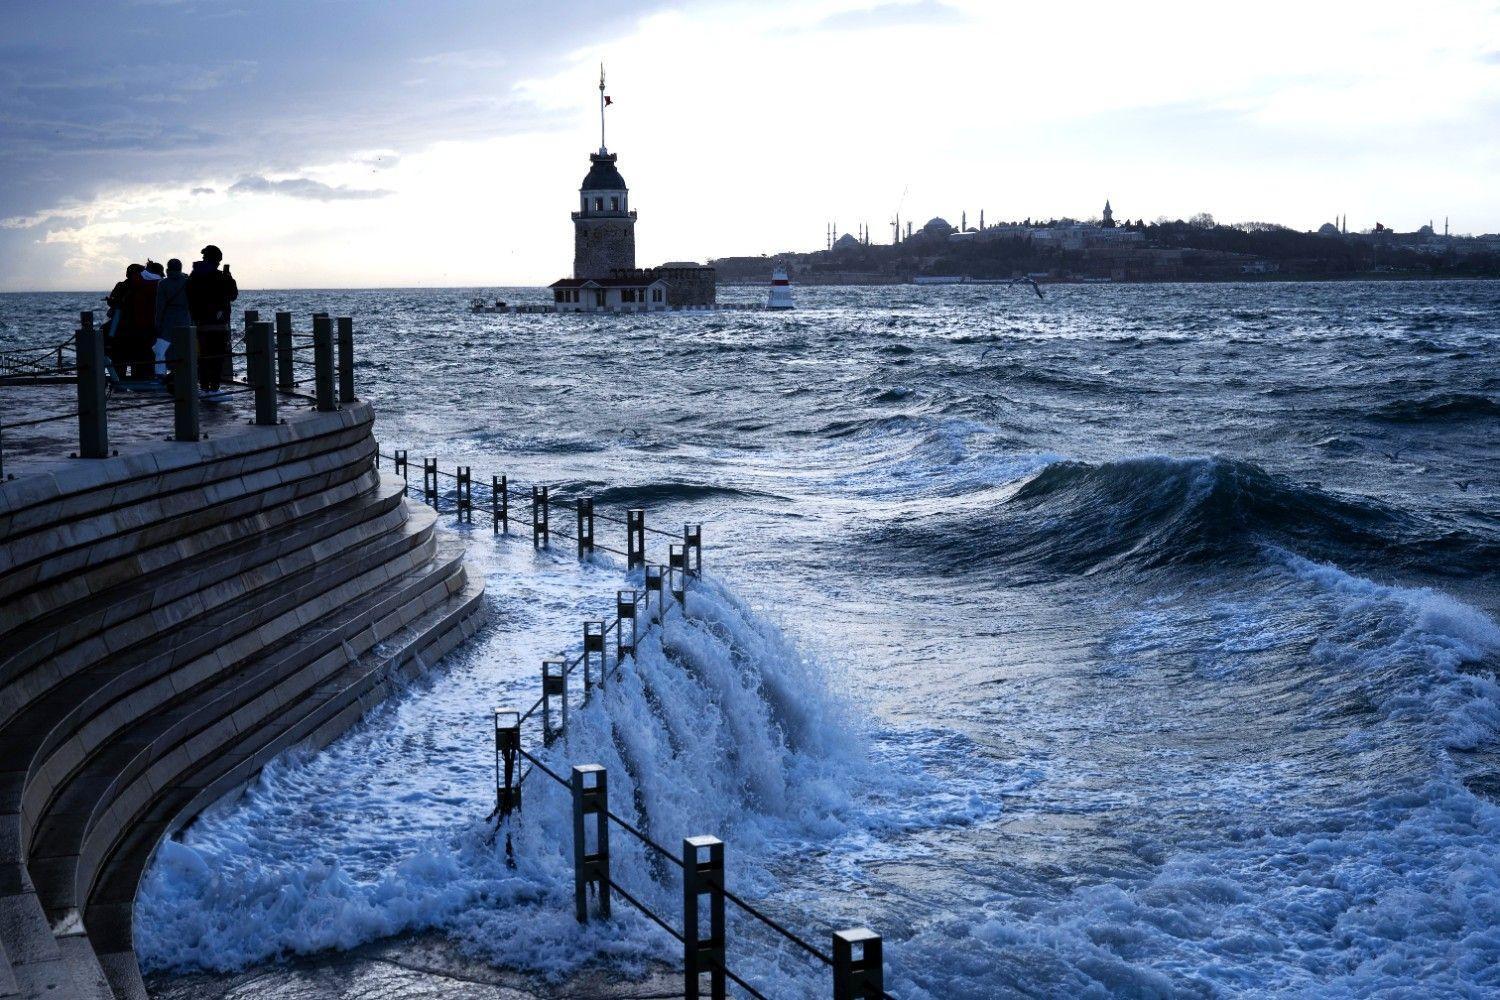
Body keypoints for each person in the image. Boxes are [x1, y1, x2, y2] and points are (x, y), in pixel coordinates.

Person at [186, 244, 238, 392]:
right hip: (218, 323)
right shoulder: (222, 276)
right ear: (217, 260)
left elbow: (189, 296)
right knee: (218, 356)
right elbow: (233, 295)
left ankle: (204, 386)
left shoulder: (194, 276)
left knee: (202, 356)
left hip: (199, 323)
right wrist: (229, 278)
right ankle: (214, 386)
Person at [154, 259, 193, 383]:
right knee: (183, 346)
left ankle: (161, 374)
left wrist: (157, 322)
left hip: (168, 318)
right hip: (185, 317)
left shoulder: (163, 283)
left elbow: (160, 306)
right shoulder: (187, 282)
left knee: (161, 348)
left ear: (167, 269)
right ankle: (182, 372)